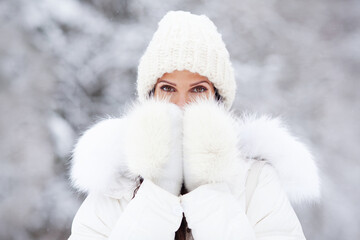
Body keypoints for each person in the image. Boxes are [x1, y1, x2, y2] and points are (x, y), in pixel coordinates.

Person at [68, 11, 320, 240]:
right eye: (168, 88)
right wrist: (159, 189)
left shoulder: (255, 181)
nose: (181, 104)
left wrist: (208, 187)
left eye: (198, 90)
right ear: (150, 97)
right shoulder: (116, 182)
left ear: (218, 99)